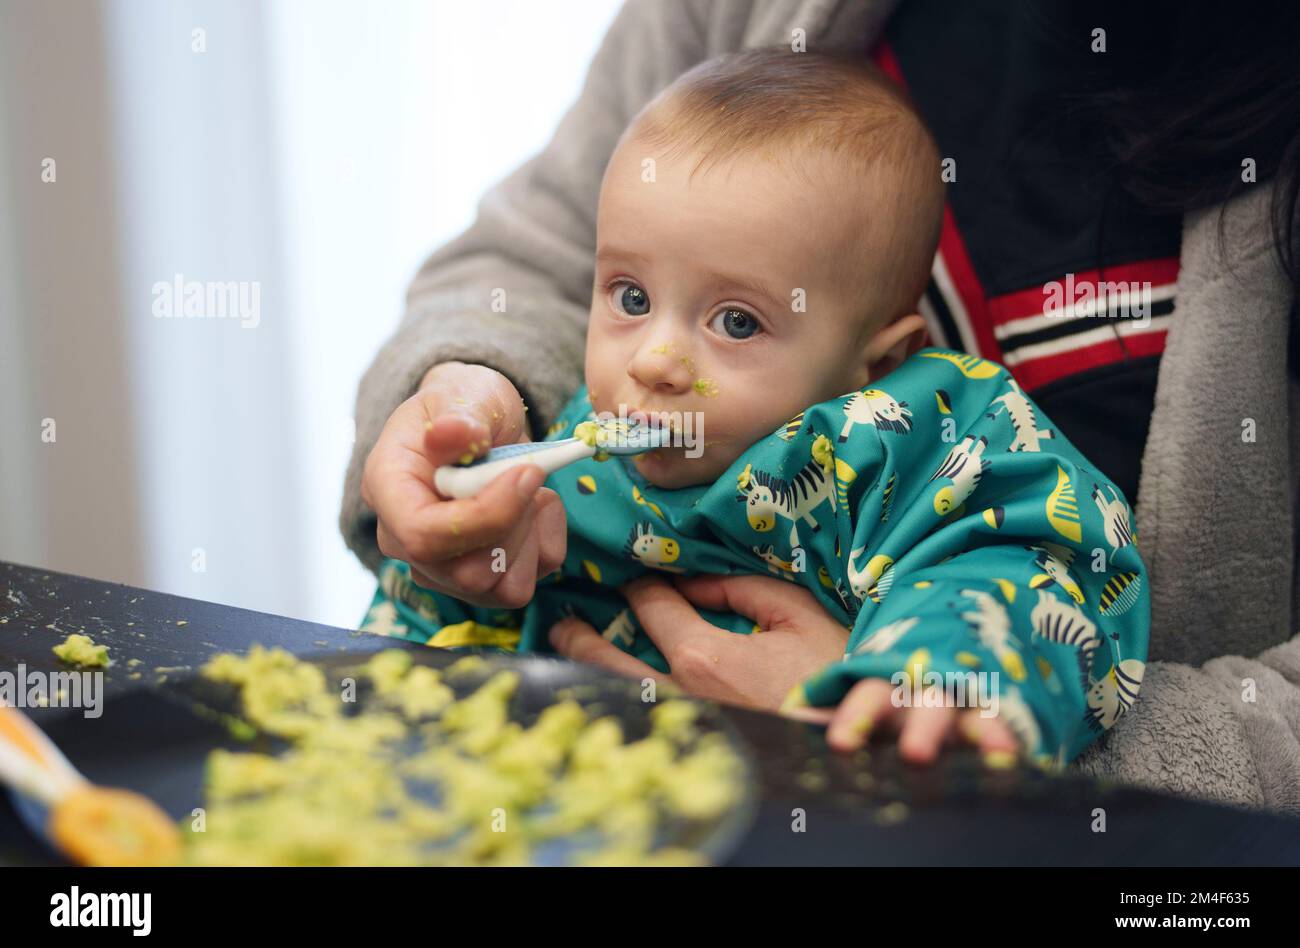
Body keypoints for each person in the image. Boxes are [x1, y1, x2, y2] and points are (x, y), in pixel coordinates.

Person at [343, 1, 1300, 808]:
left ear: (875, 363)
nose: (658, 361)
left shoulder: (915, 442)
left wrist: (924, 692)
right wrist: (460, 540)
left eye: (736, 322)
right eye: (629, 299)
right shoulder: (577, 459)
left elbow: (1015, 565)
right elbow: (524, 275)